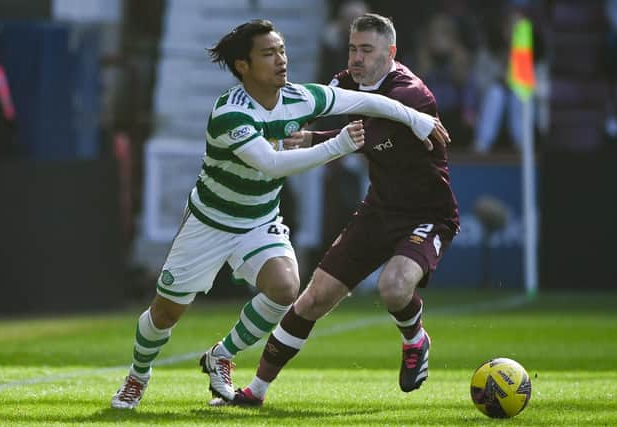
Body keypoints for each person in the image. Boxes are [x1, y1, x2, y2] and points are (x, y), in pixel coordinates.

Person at [110, 18, 450, 409]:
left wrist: (415, 117)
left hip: (259, 220)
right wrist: (336, 145)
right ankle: (138, 376)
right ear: (244, 66)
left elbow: (366, 101)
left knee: (286, 289)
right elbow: (272, 164)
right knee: (166, 312)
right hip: (211, 221)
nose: (281, 60)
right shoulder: (230, 114)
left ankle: (222, 355)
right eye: (269, 54)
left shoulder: (299, 97)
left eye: (283, 51)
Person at [209, 13, 460, 407]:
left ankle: (415, 339)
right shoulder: (345, 80)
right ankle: (255, 391)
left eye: (367, 50)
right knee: (312, 299)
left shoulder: (411, 94)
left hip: (427, 214)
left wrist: (314, 137)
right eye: (352, 49)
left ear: (390, 53)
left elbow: (362, 137)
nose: (356, 58)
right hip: (378, 210)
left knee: (393, 287)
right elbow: (307, 102)